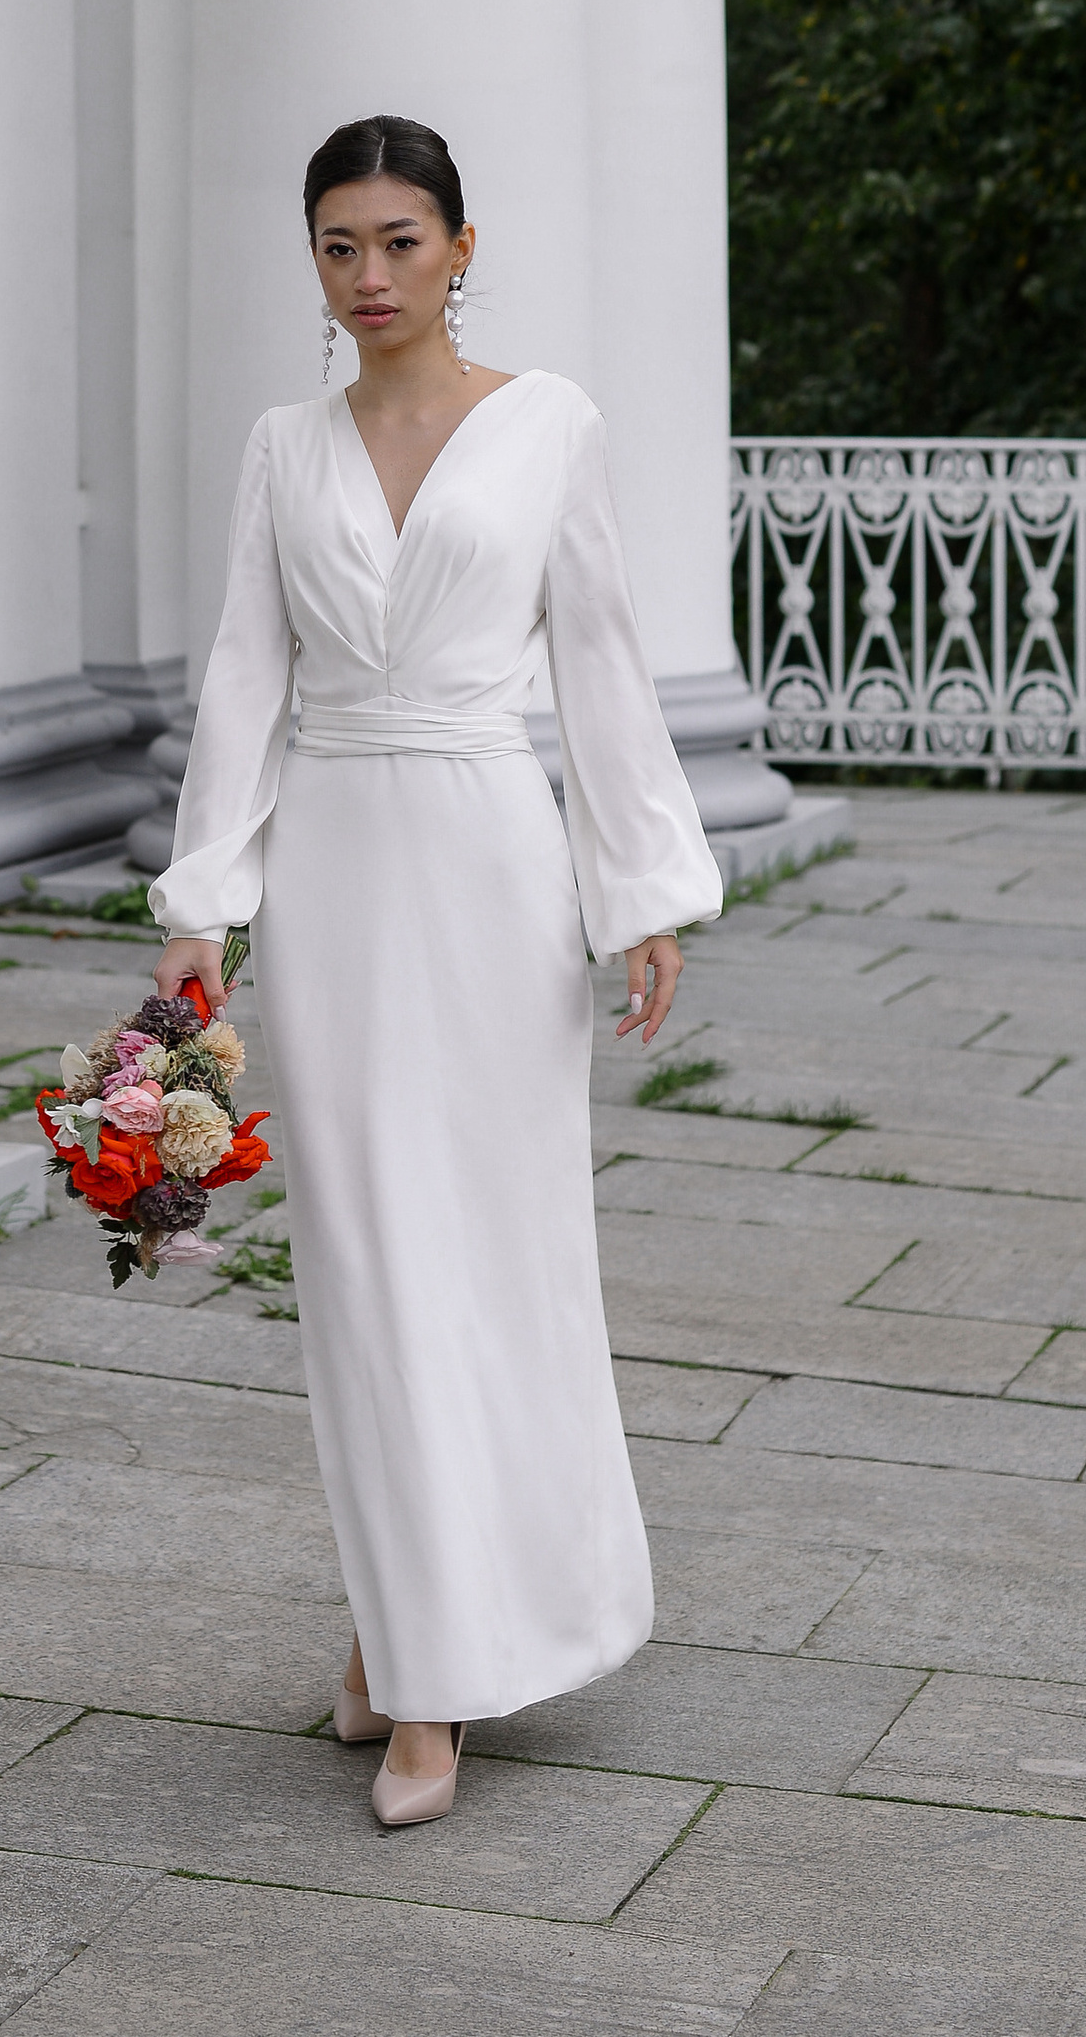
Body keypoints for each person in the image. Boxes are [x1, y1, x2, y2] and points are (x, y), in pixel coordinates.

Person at [150, 112, 721, 1828]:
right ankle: (416, 1642)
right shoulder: (281, 446)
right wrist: (203, 904)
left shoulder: (548, 427)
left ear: (461, 248)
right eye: (339, 245)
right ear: (313, 264)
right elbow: (246, 678)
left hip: (489, 871)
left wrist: (639, 888)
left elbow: (605, 660)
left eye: (401, 240)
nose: (371, 274)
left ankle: (436, 1664)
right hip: (335, 871)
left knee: (500, 1261)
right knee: (369, 1275)